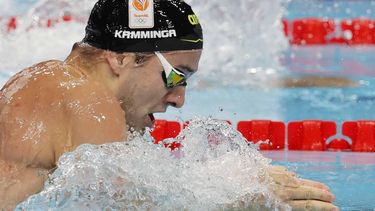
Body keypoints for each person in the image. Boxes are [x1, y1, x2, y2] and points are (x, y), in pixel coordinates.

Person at [0, 0, 338, 210]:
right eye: (176, 76)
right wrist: (245, 198)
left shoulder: (47, 81)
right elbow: (126, 205)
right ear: (121, 57)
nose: (179, 99)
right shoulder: (87, 99)